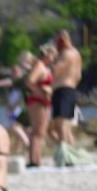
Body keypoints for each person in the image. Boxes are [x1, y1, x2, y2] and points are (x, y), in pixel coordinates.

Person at [0, 53, 33, 152]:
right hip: (23, 104)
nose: (14, 72)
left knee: (14, 125)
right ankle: (22, 148)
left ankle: (27, 143)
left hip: (19, 105)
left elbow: (11, 82)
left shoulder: (25, 75)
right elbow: (11, 81)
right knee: (24, 127)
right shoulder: (26, 74)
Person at [51, 29, 83, 164]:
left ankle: (66, 154)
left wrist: (52, 57)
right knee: (64, 124)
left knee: (62, 123)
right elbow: (79, 75)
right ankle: (70, 151)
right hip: (69, 89)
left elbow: (55, 69)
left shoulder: (66, 54)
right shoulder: (76, 54)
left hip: (64, 89)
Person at [26, 44, 56, 167]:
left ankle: (36, 159)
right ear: (47, 54)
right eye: (53, 55)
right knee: (37, 131)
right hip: (37, 101)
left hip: (43, 101)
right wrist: (41, 94)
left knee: (41, 131)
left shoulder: (45, 67)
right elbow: (29, 81)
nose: (54, 58)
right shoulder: (39, 65)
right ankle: (34, 160)